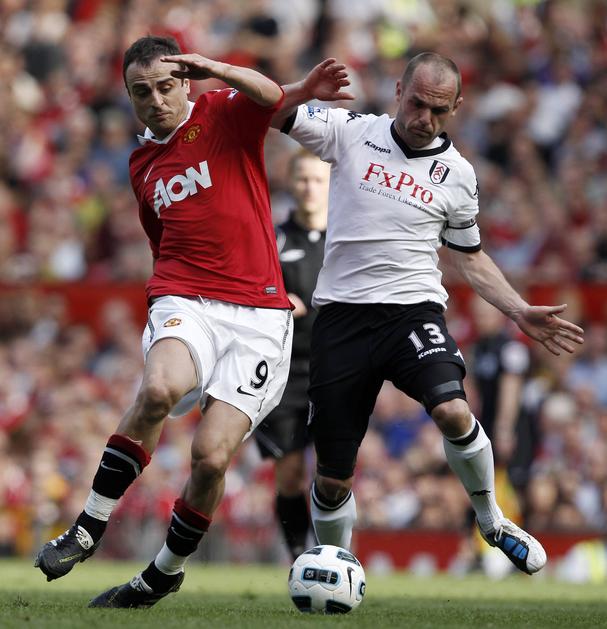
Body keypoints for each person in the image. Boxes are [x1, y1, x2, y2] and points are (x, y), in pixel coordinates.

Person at [34, 36, 349, 608]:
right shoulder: (141, 165)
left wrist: (217, 68)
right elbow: (163, 242)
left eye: (164, 86)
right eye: (141, 92)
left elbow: (270, 96)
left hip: (259, 316)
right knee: (158, 390)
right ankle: (88, 526)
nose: (155, 101)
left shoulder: (221, 110)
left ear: (185, 82)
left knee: (210, 458)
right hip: (188, 297)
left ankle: (162, 574)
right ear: (129, 96)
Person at [271, 51, 585, 575]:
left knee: (454, 412)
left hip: (411, 314)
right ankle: (337, 567)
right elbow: (272, 109)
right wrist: (302, 90)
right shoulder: (352, 131)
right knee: (332, 478)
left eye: (439, 110)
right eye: (417, 104)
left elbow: (470, 256)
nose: (425, 118)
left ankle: (491, 520)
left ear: (456, 107)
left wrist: (517, 309)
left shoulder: (458, 174)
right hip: (342, 319)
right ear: (399, 92)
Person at [254, 149, 330, 561]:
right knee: (289, 472)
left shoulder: (347, 239)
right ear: (291, 182)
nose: (310, 188)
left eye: (318, 180)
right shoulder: (274, 239)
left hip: (335, 369)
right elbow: (252, 291)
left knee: (334, 471)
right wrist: (276, 301)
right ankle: (298, 554)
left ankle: (335, 551)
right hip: (283, 372)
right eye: (303, 179)